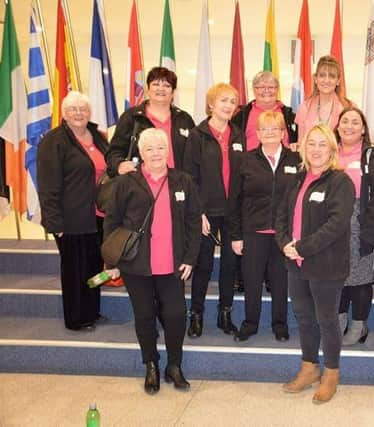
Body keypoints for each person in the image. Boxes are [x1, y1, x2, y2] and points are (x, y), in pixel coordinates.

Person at [104, 128, 201, 394]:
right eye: (149, 149)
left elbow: (194, 222)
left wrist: (190, 258)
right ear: (140, 153)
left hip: (173, 265)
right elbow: (111, 222)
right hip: (137, 265)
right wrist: (111, 260)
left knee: (176, 315)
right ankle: (151, 365)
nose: (156, 153)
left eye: (160, 147)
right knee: (144, 316)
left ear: (168, 150)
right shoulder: (125, 183)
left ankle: (174, 366)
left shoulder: (183, 181)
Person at [275, 124, 355, 404]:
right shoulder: (297, 179)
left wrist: (301, 248)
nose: (317, 149)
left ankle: (331, 374)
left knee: (327, 319)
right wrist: (284, 242)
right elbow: (282, 216)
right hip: (295, 263)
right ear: (304, 149)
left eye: (323, 144)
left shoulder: (340, 181)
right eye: (312, 144)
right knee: (305, 318)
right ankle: (309, 368)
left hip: (326, 264)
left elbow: (336, 224)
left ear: (332, 149)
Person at [37, 91, 108, 331]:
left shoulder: (97, 136)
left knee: (93, 266)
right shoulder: (54, 141)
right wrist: (54, 223)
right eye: (73, 109)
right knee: (74, 269)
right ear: (64, 113)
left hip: (99, 216)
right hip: (71, 219)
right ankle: (77, 318)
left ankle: (92, 312)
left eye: (83, 109)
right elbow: (47, 186)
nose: (79, 113)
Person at [228, 111, 300, 342]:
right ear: (257, 133)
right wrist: (236, 235)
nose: (269, 133)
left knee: (280, 282)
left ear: (283, 133)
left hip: (283, 235)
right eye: (264, 129)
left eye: (275, 129)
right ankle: (250, 324)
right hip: (253, 232)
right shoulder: (245, 160)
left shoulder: (295, 160)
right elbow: (235, 200)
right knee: (251, 281)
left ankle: (280, 324)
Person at [183, 83, 246, 338]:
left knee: (231, 265)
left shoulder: (238, 135)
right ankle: (196, 314)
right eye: (223, 101)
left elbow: (242, 176)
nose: (229, 106)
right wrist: (197, 213)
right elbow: (190, 177)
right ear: (211, 104)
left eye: (232, 101)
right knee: (203, 265)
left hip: (233, 212)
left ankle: (225, 314)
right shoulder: (197, 135)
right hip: (205, 212)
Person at [334, 107, 374, 345]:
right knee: (336, 275)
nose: (349, 126)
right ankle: (339, 319)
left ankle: (359, 324)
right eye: (344, 121)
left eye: (355, 122)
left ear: (364, 129)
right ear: (337, 126)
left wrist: (372, 229)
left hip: (361, 222)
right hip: (333, 221)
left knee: (360, 277)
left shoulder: (372, 156)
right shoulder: (328, 152)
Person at [105, 67, 195, 176]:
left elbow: (195, 155)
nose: (161, 89)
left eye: (167, 85)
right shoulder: (131, 117)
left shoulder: (184, 119)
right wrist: (119, 164)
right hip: (140, 186)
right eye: (156, 84)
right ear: (148, 89)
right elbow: (114, 152)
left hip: (178, 185)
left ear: (173, 93)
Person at [231, 71, 297, 151]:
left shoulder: (290, 116)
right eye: (262, 87)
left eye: (271, 87)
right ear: (254, 90)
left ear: (277, 89)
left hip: (284, 162)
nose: (267, 91)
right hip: (250, 162)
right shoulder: (241, 116)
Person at [295, 55, 352, 139]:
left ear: (338, 81)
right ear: (315, 79)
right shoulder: (304, 108)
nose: (326, 80)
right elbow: (302, 143)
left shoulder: (348, 107)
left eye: (332, 76)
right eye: (322, 75)